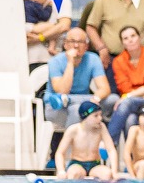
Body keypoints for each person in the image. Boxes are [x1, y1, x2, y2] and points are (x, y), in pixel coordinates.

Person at [44, 28, 109, 162]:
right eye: (72, 41)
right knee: (76, 109)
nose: (75, 45)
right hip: (56, 107)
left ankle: (105, 148)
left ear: (86, 46)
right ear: (65, 44)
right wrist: (70, 63)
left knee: (112, 100)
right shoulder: (55, 61)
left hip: (81, 103)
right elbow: (62, 91)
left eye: (80, 42)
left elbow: (104, 88)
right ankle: (72, 159)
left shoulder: (93, 59)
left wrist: (95, 99)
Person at [106, 24, 144, 146]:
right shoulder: (118, 61)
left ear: (139, 37)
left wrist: (130, 95)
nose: (130, 40)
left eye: (133, 36)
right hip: (138, 101)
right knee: (130, 119)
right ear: (122, 43)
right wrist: (143, 95)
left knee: (125, 103)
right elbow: (124, 88)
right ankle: (132, 161)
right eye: (126, 38)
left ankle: (109, 143)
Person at [55, 100, 117, 180]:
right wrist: (61, 170)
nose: (100, 118)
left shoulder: (101, 128)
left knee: (107, 174)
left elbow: (111, 149)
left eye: (100, 115)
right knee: (74, 173)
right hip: (77, 164)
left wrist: (114, 171)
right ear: (85, 118)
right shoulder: (73, 130)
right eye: (96, 116)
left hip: (95, 164)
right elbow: (60, 153)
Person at [23, 0, 69, 71]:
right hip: (29, 58)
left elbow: (64, 26)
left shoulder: (61, 0)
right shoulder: (28, 3)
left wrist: (40, 37)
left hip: (51, 58)